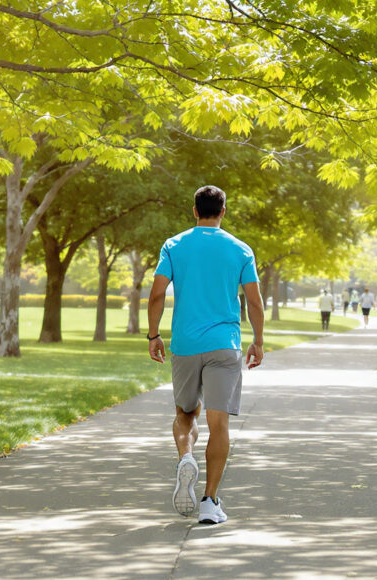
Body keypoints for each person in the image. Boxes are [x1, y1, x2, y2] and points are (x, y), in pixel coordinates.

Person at [147, 185, 264, 525]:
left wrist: (154, 334)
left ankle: (186, 456)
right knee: (219, 423)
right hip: (225, 345)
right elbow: (253, 301)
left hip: (185, 344)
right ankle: (210, 502)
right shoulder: (241, 250)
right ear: (223, 212)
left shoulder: (174, 245)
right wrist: (258, 339)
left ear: (195, 211)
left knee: (185, 413)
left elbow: (157, 295)